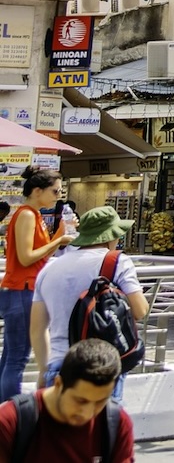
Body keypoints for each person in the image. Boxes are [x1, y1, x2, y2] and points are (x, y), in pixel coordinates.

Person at [28, 209, 146, 392]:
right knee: (102, 421)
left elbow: (37, 329)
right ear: (110, 236)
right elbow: (140, 310)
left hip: (59, 364)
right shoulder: (117, 262)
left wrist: (44, 371)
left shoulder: (48, 269)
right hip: (102, 367)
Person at [0, 340, 132, 463]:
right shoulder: (10, 421)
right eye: (81, 401)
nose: (87, 413)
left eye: (100, 402)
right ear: (58, 384)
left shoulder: (116, 423)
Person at [3, 167, 69, 396]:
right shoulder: (28, 215)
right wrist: (58, 240)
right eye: (55, 191)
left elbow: (36, 256)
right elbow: (26, 257)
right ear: (38, 191)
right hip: (22, 289)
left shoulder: (33, 215)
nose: (58, 196)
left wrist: (58, 237)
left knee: (12, 356)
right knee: (17, 358)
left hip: (23, 289)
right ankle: (10, 413)